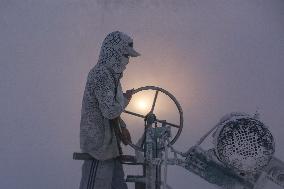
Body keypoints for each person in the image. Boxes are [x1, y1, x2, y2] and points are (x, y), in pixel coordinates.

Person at [79, 31, 140, 189]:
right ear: (116, 53)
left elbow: (111, 113)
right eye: (126, 56)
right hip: (99, 152)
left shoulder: (112, 77)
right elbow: (110, 110)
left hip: (110, 150)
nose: (128, 62)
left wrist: (123, 128)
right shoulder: (101, 75)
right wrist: (126, 100)